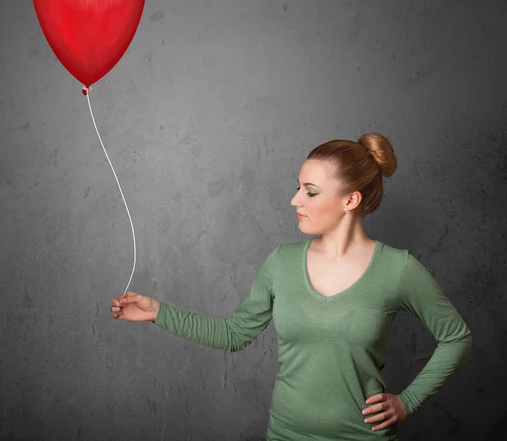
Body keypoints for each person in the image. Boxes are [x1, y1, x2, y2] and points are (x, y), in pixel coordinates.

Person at [110, 133, 472, 440]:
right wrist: (159, 312)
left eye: (310, 192)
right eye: (297, 187)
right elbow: (235, 333)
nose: (295, 200)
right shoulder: (281, 263)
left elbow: (456, 336)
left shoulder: (398, 269)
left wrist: (407, 401)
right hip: (286, 435)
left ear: (350, 200)